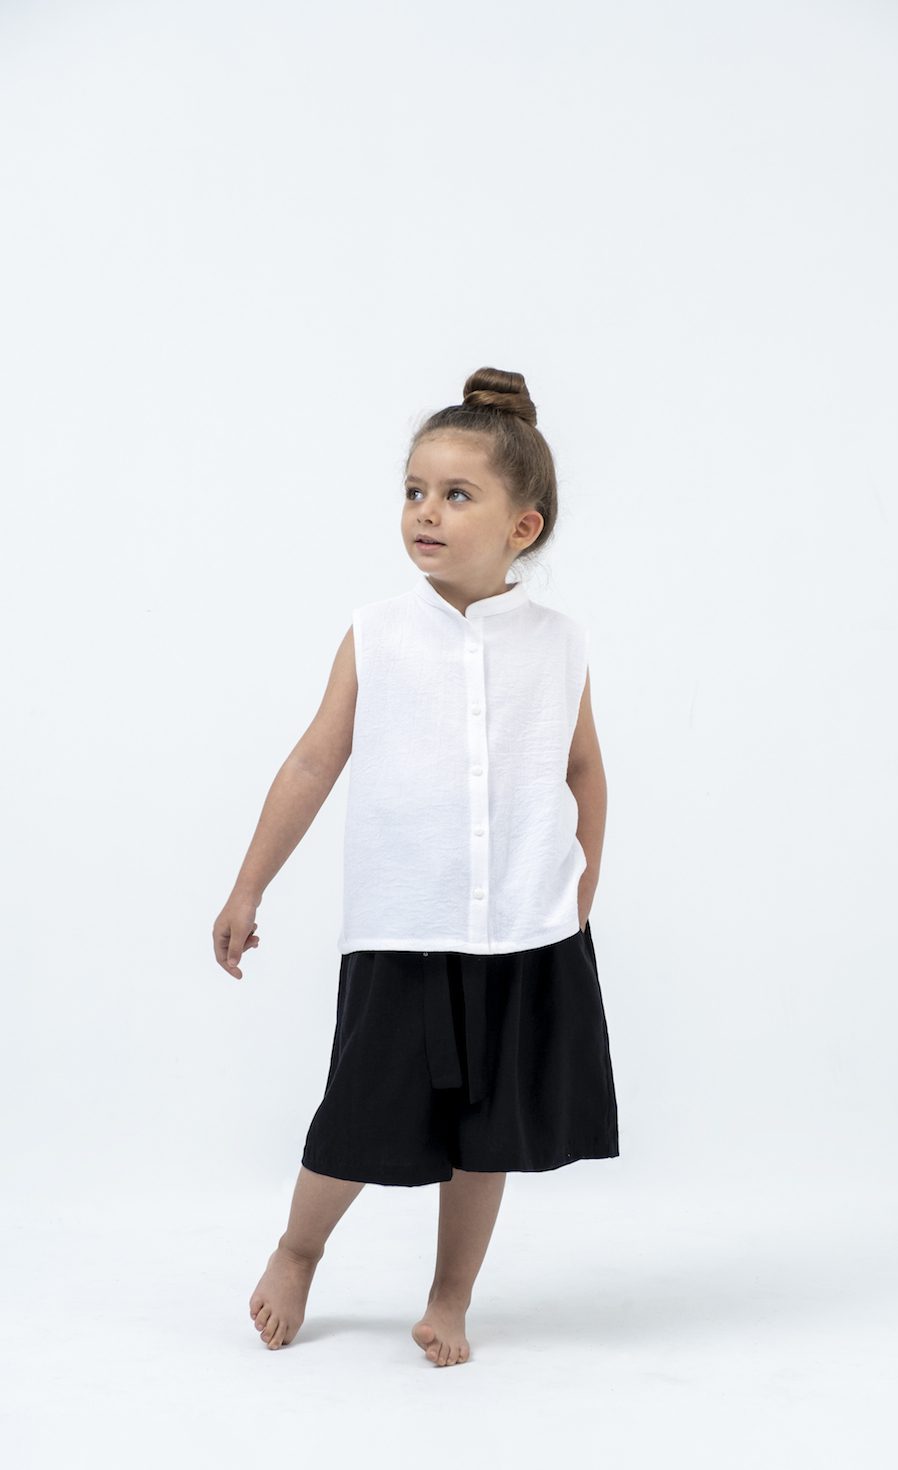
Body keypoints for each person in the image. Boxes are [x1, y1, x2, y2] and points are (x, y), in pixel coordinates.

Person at [213, 365, 619, 1367]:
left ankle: (450, 1294)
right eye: (413, 491)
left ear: (521, 526)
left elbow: (582, 769)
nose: (425, 513)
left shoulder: (559, 644)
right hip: (404, 924)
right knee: (359, 1113)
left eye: (455, 495)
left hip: (520, 928)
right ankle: (300, 1247)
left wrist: (581, 888)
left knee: (488, 1133)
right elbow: (314, 761)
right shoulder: (377, 634)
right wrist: (249, 885)